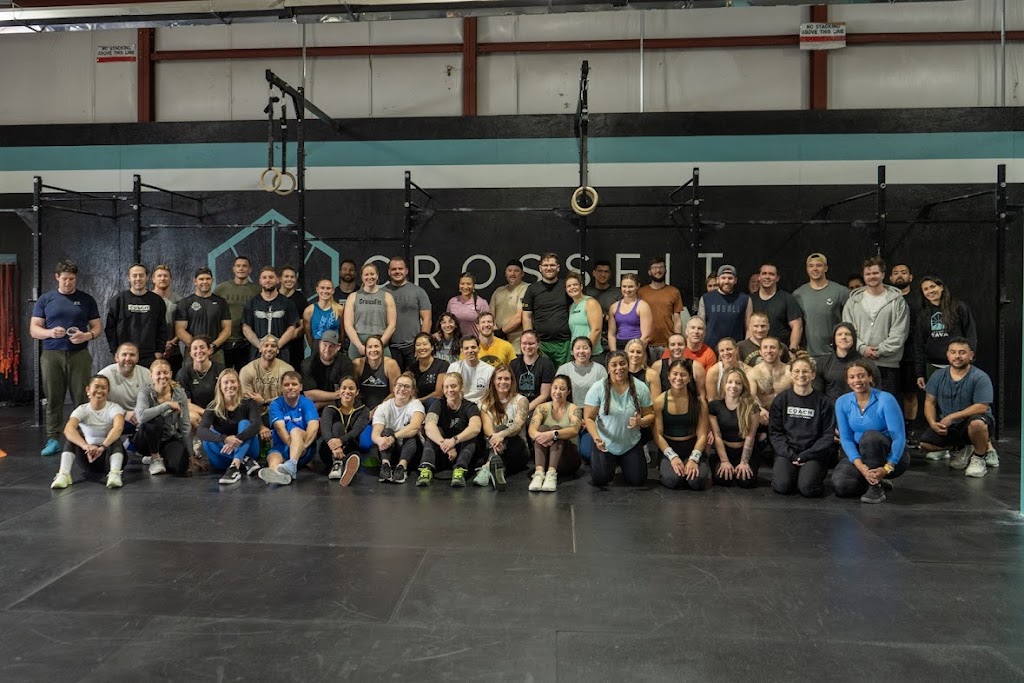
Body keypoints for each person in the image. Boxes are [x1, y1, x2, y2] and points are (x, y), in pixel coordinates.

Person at [31, 259, 103, 456]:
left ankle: (82, 438)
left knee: (81, 397)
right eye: (64, 279)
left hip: (79, 354)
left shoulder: (86, 299)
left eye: (71, 279)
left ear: (75, 278)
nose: (68, 282)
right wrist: (50, 332)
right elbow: (34, 329)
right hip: (52, 355)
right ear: (57, 277)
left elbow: (97, 327)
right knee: (54, 398)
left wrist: (87, 335)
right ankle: (53, 439)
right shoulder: (46, 299)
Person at [833, 362, 909, 504]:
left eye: (861, 376)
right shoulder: (842, 402)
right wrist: (861, 466)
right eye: (852, 377)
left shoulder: (886, 399)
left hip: (890, 457)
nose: (857, 380)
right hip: (861, 454)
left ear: (870, 377)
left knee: (870, 436)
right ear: (847, 380)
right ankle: (871, 478)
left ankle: (876, 486)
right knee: (842, 486)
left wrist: (887, 467)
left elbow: (898, 437)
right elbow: (846, 438)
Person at [920, 338, 997, 475]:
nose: (957, 356)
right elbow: (929, 402)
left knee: (977, 424)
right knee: (925, 444)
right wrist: (933, 423)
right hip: (951, 426)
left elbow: (982, 407)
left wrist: (952, 417)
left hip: (971, 422)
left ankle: (979, 458)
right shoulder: (937, 376)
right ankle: (960, 448)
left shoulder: (980, 377)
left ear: (971, 355)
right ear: (947, 355)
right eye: (953, 352)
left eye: (962, 352)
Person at [769, 353, 837, 498]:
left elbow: (827, 435)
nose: (801, 375)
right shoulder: (781, 400)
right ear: (791, 375)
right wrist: (791, 455)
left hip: (814, 454)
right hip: (788, 453)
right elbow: (775, 433)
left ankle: (806, 476)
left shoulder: (824, 402)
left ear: (813, 375)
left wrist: (807, 455)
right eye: (797, 371)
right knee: (782, 486)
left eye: (805, 371)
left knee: (807, 489)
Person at [583, 351, 655, 487]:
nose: (619, 368)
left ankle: (625, 462)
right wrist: (596, 438)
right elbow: (589, 417)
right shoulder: (598, 387)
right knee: (600, 480)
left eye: (622, 364)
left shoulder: (640, 387)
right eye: (614, 365)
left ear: (628, 365)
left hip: (630, 443)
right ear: (608, 368)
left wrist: (640, 421)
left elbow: (650, 415)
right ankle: (613, 463)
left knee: (637, 480)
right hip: (605, 444)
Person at [842, 256, 909, 397]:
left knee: (886, 405)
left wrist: (879, 351)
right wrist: (862, 348)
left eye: (875, 273)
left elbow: (900, 333)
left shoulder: (897, 301)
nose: (872, 276)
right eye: (868, 274)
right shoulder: (853, 302)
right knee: (861, 405)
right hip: (859, 363)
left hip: (888, 365)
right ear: (863, 276)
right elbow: (848, 331)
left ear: (883, 274)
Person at [49, 375, 126, 490]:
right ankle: (64, 474)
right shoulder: (82, 409)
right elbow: (68, 429)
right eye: (96, 387)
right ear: (88, 390)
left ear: (108, 391)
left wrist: (102, 447)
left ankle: (115, 473)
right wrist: (86, 446)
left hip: (107, 456)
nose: (100, 390)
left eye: (104, 388)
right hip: (88, 457)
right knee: (74, 437)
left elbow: (118, 428)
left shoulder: (115, 408)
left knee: (115, 438)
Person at [417, 372, 483, 488]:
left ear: (461, 387)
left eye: (453, 386)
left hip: (462, 451)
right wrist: (445, 444)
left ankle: (460, 471)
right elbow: (429, 425)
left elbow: (475, 427)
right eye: (446, 387)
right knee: (434, 431)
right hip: (443, 451)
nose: (450, 390)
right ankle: (426, 469)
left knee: (470, 435)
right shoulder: (438, 404)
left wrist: (454, 441)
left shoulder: (470, 406)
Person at [655, 359, 711, 492]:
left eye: (683, 374)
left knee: (696, 481)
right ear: (668, 376)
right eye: (675, 374)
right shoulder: (660, 401)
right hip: (669, 447)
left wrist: (694, 458)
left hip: (692, 446)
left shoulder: (699, 402)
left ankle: (691, 465)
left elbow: (702, 435)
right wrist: (672, 457)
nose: (678, 378)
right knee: (673, 480)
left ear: (689, 377)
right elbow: (657, 435)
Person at [198, 368, 262, 484]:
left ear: (238, 384)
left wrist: (237, 438)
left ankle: (234, 466)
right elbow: (201, 431)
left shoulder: (249, 402)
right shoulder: (213, 407)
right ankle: (244, 460)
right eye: (226, 383)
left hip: (249, 450)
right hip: (222, 456)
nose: (230, 385)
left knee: (245, 423)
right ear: (220, 386)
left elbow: (256, 425)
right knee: (207, 437)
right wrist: (225, 439)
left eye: (233, 382)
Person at [257, 371, 321, 486]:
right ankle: (278, 474)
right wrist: (293, 446)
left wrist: (303, 447)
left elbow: (314, 426)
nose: (290, 387)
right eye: (286, 385)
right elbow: (280, 428)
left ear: (300, 387)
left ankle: (292, 464)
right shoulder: (276, 404)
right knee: (273, 457)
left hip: (305, 447)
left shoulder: (307, 403)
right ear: (281, 388)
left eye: (294, 384)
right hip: (283, 446)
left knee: (295, 431)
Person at [915, 276, 978, 390]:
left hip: (958, 365)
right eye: (926, 289)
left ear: (941, 287)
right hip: (932, 367)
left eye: (933, 286)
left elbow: (971, 335)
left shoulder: (959, 307)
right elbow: (919, 344)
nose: (930, 291)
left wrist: (969, 360)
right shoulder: (923, 314)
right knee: (933, 399)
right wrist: (920, 373)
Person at [136, 359, 195, 476]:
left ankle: (162, 457)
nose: (162, 376)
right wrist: (167, 405)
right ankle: (154, 458)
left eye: (165, 373)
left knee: (179, 467)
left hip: (168, 437)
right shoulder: (145, 392)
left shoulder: (179, 393)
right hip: (146, 439)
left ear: (171, 374)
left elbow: (185, 424)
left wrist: (190, 455)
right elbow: (141, 417)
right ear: (151, 376)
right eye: (158, 373)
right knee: (156, 420)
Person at [477, 365, 531, 490]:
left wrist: (501, 435)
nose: (503, 382)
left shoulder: (521, 401)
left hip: (518, 450)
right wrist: (496, 440)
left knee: (501, 428)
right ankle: (496, 468)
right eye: (499, 378)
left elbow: (517, 426)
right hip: (494, 447)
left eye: (507, 379)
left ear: (512, 381)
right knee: (497, 434)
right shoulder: (484, 402)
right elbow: (487, 428)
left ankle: (487, 468)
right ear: (493, 381)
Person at [707, 368, 763, 488]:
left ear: (743, 386)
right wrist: (724, 461)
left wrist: (744, 462)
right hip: (723, 450)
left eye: (738, 383)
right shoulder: (714, 406)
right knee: (723, 479)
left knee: (746, 481)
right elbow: (717, 435)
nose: (733, 386)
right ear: (724, 384)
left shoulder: (752, 407)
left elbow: (750, 436)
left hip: (744, 450)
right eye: (730, 382)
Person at [105, 263, 168, 367]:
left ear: (147, 277)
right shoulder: (118, 300)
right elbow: (110, 329)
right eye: (134, 276)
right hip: (125, 356)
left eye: (141, 275)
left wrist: (159, 351)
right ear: (129, 278)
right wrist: (115, 351)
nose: (138, 279)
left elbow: (162, 328)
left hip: (150, 356)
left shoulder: (157, 301)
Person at [527, 375, 584, 491]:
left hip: (567, 459)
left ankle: (551, 474)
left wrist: (553, 434)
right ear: (551, 389)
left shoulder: (574, 409)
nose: (558, 392)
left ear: (568, 392)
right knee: (542, 428)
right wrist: (541, 436)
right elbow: (532, 429)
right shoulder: (542, 408)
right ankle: (539, 474)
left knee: (556, 429)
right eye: (555, 388)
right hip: (546, 456)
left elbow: (574, 430)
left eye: (562, 389)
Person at [557, 336, 608, 462]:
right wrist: (575, 418)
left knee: (587, 454)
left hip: (592, 414)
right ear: (572, 351)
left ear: (591, 350)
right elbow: (557, 396)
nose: (581, 351)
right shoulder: (564, 369)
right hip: (569, 412)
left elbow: (605, 398)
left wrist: (590, 419)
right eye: (578, 348)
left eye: (585, 348)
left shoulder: (599, 370)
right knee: (569, 453)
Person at [371, 372, 425, 485]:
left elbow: (414, 426)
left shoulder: (416, 405)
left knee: (410, 434)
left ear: (412, 391)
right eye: (399, 385)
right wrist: (380, 440)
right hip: (390, 449)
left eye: (407, 386)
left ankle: (402, 468)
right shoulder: (383, 407)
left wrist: (393, 437)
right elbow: (375, 433)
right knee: (386, 431)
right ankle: (385, 466)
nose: (402, 389)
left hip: (411, 451)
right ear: (394, 388)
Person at [793, 253, 849, 359]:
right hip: (808, 355)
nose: (815, 269)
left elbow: (850, 322)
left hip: (835, 354)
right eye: (811, 266)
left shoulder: (841, 292)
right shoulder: (798, 294)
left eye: (819, 265)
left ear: (826, 268)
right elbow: (796, 325)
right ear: (807, 269)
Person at [241, 266, 301, 361]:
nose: (268, 280)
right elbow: (246, 328)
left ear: (277, 280)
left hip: (281, 353)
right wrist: (260, 346)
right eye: (264, 278)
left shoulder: (288, 303)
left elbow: (292, 327)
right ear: (260, 281)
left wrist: (277, 346)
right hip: (258, 353)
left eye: (271, 277)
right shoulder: (252, 303)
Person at [239, 335, 294, 440]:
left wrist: (264, 401)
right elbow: (247, 404)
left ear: (278, 350)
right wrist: (260, 426)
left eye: (273, 346)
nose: (269, 349)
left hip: (280, 414)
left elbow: (289, 398)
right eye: (266, 345)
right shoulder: (247, 370)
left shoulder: (287, 370)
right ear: (260, 348)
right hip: (255, 416)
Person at [174, 266, 232, 366]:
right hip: (192, 353)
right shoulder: (185, 303)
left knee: (219, 376)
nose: (205, 281)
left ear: (212, 280)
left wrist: (213, 346)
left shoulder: (221, 302)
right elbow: (180, 330)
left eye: (208, 279)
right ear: (195, 281)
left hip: (215, 352)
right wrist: (198, 347)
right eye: (201, 279)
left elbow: (227, 329)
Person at [522, 252, 572, 366]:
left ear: (558, 268)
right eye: (545, 265)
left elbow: (573, 311)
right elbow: (526, 316)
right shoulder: (532, 289)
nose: (549, 268)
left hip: (564, 342)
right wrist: (530, 339)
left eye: (552, 265)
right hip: (541, 343)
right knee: (543, 374)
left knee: (563, 375)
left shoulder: (566, 287)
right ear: (540, 268)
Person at [98, 342, 151, 446]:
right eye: (124, 354)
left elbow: (155, 398)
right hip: (113, 417)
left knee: (157, 420)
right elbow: (97, 405)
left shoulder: (146, 374)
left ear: (137, 358)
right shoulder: (104, 376)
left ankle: (133, 444)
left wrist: (141, 412)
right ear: (116, 357)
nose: (128, 358)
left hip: (139, 417)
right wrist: (123, 413)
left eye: (132, 355)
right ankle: (109, 447)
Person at [890, 262, 923, 434]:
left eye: (903, 272)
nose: (899, 275)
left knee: (910, 394)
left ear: (911, 277)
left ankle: (910, 432)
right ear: (890, 278)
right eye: (895, 273)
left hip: (910, 354)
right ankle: (894, 430)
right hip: (890, 354)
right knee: (890, 395)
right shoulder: (887, 299)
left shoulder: (919, 301)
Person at [384, 255, 432, 370]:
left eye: (400, 269)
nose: (397, 271)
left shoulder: (418, 292)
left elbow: (427, 319)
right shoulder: (382, 293)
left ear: (406, 271)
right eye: (394, 269)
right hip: (389, 347)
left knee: (413, 379)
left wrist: (421, 345)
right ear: (389, 272)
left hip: (412, 347)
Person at [318, 375, 367, 486]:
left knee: (354, 455)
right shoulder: (329, 408)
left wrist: (341, 441)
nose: (347, 391)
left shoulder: (363, 410)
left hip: (349, 445)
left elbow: (356, 431)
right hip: (329, 449)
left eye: (351, 388)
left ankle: (343, 466)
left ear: (357, 392)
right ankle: (338, 463)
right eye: (344, 388)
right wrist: (335, 446)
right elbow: (325, 429)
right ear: (339, 391)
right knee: (337, 426)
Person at [213, 256, 261, 371]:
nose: (241, 268)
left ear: (250, 270)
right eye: (238, 266)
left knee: (244, 375)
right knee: (224, 375)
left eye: (244, 266)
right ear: (233, 269)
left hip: (247, 342)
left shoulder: (258, 290)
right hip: (224, 341)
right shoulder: (221, 289)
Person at [638, 256, 688, 364]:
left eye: (661, 267)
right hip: (647, 344)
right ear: (649, 272)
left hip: (668, 344)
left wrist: (677, 340)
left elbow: (677, 319)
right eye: (655, 268)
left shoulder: (674, 292)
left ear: (665, 270)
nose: (658, 270)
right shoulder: (641, 292)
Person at [344, 262, 397, 360]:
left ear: (377, 276)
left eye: (372, 274)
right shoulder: (353, 297)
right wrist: (359, 346)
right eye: (366, 274)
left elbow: (392, 325)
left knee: (387, 367)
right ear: (362, 277)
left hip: (381, 341)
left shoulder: (387, 297)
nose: (369, 277)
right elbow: (348, 325)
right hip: (358, 342)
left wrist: (380, 344)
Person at [813, 323, 877, 402]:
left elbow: (875, 393)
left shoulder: (867, 364)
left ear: (854, 338)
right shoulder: (822, 363)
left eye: (847, 334)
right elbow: (817, 394)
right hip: (830, 407)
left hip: (859, 407)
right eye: (839, 334)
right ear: (834, 339)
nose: (843, 337)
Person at [751, 262, 803, 355]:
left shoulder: (787, 299)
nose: (767, 277)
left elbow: (797, 326)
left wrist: (792, 351)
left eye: (771, 274)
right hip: (755, 352)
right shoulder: (750, 300)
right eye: (764, 273)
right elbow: (747, 327)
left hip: (781, 353)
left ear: (777, 278)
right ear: (759, 277)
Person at [175, 336, 225, 433]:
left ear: (209, 350)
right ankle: (201, 439)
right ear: (190, 353)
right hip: (199, 414)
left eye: (202, 347)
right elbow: (185, 404)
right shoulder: (183, 373)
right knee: (191, 417)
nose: (199, 351)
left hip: (219, 412)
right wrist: (206, 414)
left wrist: (215, 414)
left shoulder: (221, 370)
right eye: (195, 348)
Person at [697, 264, 750, 352]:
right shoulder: (706, 298)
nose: (726, 281)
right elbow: (700, 326)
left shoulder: (745, 299)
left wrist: (746, 349)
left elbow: (749, 328)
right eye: (723, 278)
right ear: (718, 279)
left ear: (735, 280)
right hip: (710, 349)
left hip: (735, 350)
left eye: (730, 278)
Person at [299, 330, 355, 411]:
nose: (327, 349)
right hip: (313, 406)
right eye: (325, 345)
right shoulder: (308, 364)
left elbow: (347, 394)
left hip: (339, 406)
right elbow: (309, 394)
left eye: (331, 346)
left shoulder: (346, 364)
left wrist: (320, 404)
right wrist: (336, 395)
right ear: (319, 344)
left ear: (338, 347)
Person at [352, 335, 401, 419]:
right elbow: (353, 390)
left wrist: (378, 410)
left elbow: (395, 392)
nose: (373, 350)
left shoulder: (391, 364)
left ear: (382, 349)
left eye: (376, 346)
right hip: (361, 409)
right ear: (365, 350)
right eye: (370, 347)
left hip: (385, 408)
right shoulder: (358, 364)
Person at [747, 337, 792, 424]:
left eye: (772, 347)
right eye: (765, 347)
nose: (769, 351)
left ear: (780, 351)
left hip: (786, 417)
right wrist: (759, 409)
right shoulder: (753, 373)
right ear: (760, 352)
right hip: (763, 418)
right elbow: (750, 397)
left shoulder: (790, 372)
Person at [489, 259, 530, 354]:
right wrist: (495, 332)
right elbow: (490, 315)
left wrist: (502, 332)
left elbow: (520, 316)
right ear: (505, 273)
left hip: (518, 345)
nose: (513, 273)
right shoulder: (498, 291)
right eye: (510, 270)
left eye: (516, 271)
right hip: (498, 343)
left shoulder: (527, 289)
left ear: (522, 274)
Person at [510, 330, 555, 413]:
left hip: (538, 407)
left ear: (538, 344)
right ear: (520, 345)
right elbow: (511, 391)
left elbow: (545, 395)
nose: (528, 347)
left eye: (531, 343)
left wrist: (525, 409)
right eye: (524, 343)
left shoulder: (547, 364)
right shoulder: (513, 364)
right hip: (517, 405)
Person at [650, 333, 706, 399]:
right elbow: (654, 397)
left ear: (686, 346)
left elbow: (702, 395)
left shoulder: (696, 367)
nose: (676, 347)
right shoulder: (658, 366)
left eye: (680, 344)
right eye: (673, 345)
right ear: (668, 347)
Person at [607, 273, 652, 352]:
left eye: (631, 286)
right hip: (619, 345)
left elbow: (646, 336)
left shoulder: (643, 306)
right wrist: (614, 353)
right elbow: (611, 335)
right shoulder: (614, 307)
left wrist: (634, 351)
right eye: (624, 286)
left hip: (637, 347)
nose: (627, 290)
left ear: (637, 286)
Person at [151, 264, 182, 374]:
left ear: (170, 279)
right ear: (153, 279)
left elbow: (183, 327)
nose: (163, 278)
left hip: (173, 352)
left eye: (165, 276)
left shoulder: (180, 301)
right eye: (159, 276)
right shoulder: (147, 300)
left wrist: (172, 343)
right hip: (152, 352)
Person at [585, 259, 621, 353]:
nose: (603, 274)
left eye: (606, 272)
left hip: (612, 340)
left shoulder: (617, 293)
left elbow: (622, 317)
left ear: (610, 274)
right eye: (600, 271)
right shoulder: (586, 293)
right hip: (592, 338)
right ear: (594, 273)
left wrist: (606, 317)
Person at [446, 336, 495, 405]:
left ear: (479, 349)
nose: (470, 350)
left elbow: (492, 395)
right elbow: (447, 390)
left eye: (473, 347)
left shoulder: (490, 370)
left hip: (481, 405)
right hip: (460, 404)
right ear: (461, 350)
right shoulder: (454, 367)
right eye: (466, 348)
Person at [565, 271, 604, 358]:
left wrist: (587, 352)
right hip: (577, 354)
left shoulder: (590, 303)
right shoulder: (572, 306)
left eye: (575, 285)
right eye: (569, 286)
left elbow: (596, 330)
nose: (572, 287)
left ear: (581, 286)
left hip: (592, 354)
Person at [304, 279, 345, 355]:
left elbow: (342, 332)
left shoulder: (340, 309)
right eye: (322, 288)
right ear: (317, 290)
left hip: (334, 345)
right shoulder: (309, 311)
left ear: (333, 291)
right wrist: (315, 347)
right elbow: (308, 335)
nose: (325, 291)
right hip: (317, 346)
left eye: (328, 288)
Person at [278, 265, 308, 367]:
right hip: (276, 345)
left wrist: (290, 336)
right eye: (286, 276)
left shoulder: (301, 299)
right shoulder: (273, 296)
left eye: (292, 277)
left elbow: (304, 323)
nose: (289, 279)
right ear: (280, 279)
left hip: (295, 346)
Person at [447, 271, 490, 338]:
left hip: (475, 342)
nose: (465, 287)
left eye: (468, 284)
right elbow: (447, 322)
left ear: (473, 286)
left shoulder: (481, 303)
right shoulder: (452, 301)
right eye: (462, 284)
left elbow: (487, 325)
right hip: (456, 342)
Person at [705, 337, 749, 402]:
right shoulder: (713, 372)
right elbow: (711, 400)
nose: (726, 353)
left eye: (729, 349)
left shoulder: (748, 371)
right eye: (722, 350)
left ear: (737, 350)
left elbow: (750, 397)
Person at [411, 332, 446, 408]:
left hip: (437, 405)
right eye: (418, 345)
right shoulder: (412, 368)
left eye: (425, 344)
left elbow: (439, 394)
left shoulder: (442, 365)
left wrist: (417, 401)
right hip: (416, 406)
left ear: (432, 347)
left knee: (433, 401)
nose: (421, 347)